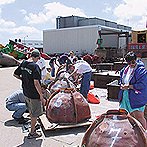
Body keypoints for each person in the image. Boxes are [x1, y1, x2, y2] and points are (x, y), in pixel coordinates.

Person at [13, 49, 46, 139]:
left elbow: (15, 75)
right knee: (35, 114)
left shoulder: (23, 64)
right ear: (37, 57)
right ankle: (32, 132)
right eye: (38, 58)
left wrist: (23, 79)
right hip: (33, 95)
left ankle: (33, 126)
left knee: (31, 111)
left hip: (26, 93)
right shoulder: (35, 67)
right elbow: (36, 83)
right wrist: (41, 96)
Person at [118, 51, 147, 129]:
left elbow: (142, 84)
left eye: (133, 62)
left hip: (137, 96)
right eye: (129, 63)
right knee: (127, 115)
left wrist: (129, 86)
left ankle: (144, 134)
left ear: (136, 60)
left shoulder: (141, 70)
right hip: (125, 95)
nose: (131, 64)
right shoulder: (125, 70)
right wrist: (121, 84)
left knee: (138, 116)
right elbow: (121, 79)